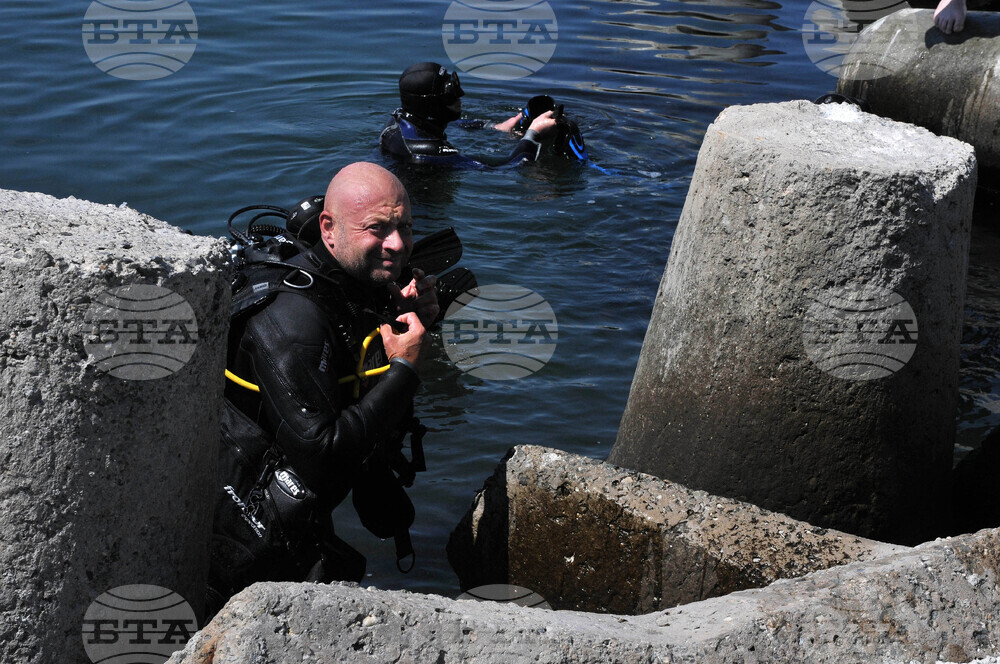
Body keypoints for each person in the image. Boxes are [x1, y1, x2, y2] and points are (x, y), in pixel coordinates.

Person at [209, 162, 438, 611]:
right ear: (328, 229)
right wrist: (405, 371)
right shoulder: (292, 322)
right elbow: (322, 454)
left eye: (405, 227)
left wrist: (412, 322)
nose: (398, 244)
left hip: (302, 505)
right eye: (378, 229)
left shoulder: (351, 287)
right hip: (244, 523)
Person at [380, 61, 557, 168]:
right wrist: (533, 134)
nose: (460, 97)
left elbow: (451, 123)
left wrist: (493, 127)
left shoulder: (404, 117)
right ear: (431, 104)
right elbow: (507, 166)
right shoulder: (426, 151)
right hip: (428, 209)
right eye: (451, 93)